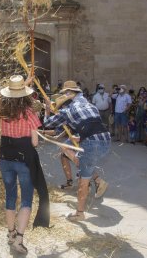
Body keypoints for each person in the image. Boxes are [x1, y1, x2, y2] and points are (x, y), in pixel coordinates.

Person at [44, 80, 110, 222]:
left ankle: (79, 213)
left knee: (83, 180)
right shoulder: (91, 106)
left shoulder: (68, 111)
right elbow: (92, 126)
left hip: (92, 144)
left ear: (68, 95)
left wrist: (47, 110)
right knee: (66, 147)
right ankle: (96, 178)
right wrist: (79, 138)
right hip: (105, 140)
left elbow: (47, 123)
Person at [0, 75, 47, 254]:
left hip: (5, 158)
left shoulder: (2, 111)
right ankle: (19, 239)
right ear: (25, 95)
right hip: (24, 160)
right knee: (26, 199)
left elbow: (4, 98)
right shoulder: (29, 113)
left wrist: (22, 84)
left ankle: (10, 234)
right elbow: (34, 143)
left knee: (10, 196)